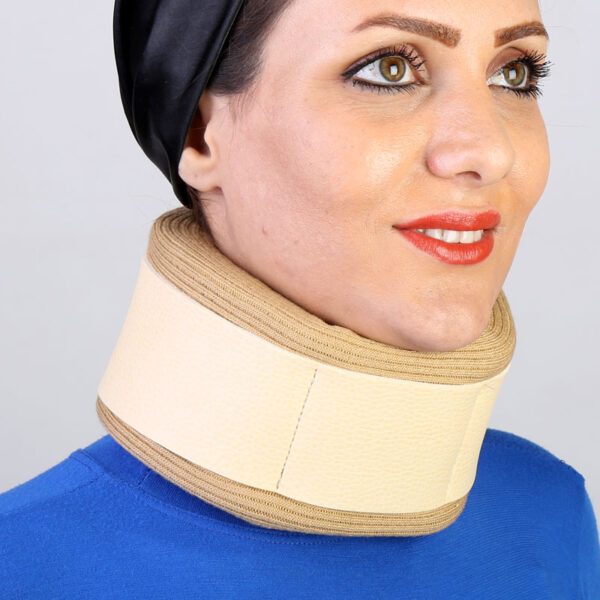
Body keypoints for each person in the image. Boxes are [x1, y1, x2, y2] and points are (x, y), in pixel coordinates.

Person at [1, 0, 599, 597]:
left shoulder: (550, 518)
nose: (491, 152)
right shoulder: (24, 568)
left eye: (514, 74)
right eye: (389, 68)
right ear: (201, 135)